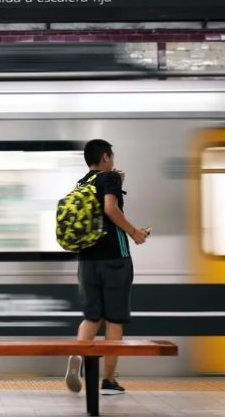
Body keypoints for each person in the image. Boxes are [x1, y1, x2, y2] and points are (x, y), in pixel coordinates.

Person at [64, 139, 149, 396]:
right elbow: (110, 209)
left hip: (87, 260)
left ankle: (78, 354)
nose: (113, 161)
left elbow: (97, 212)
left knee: (92, 316)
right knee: (114, 319)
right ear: (104, 157)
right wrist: (135, 232)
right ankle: (109, 381)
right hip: (114, 259)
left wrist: (117, 184)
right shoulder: (108, 179)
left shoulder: (82, 183)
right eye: (111, 157)